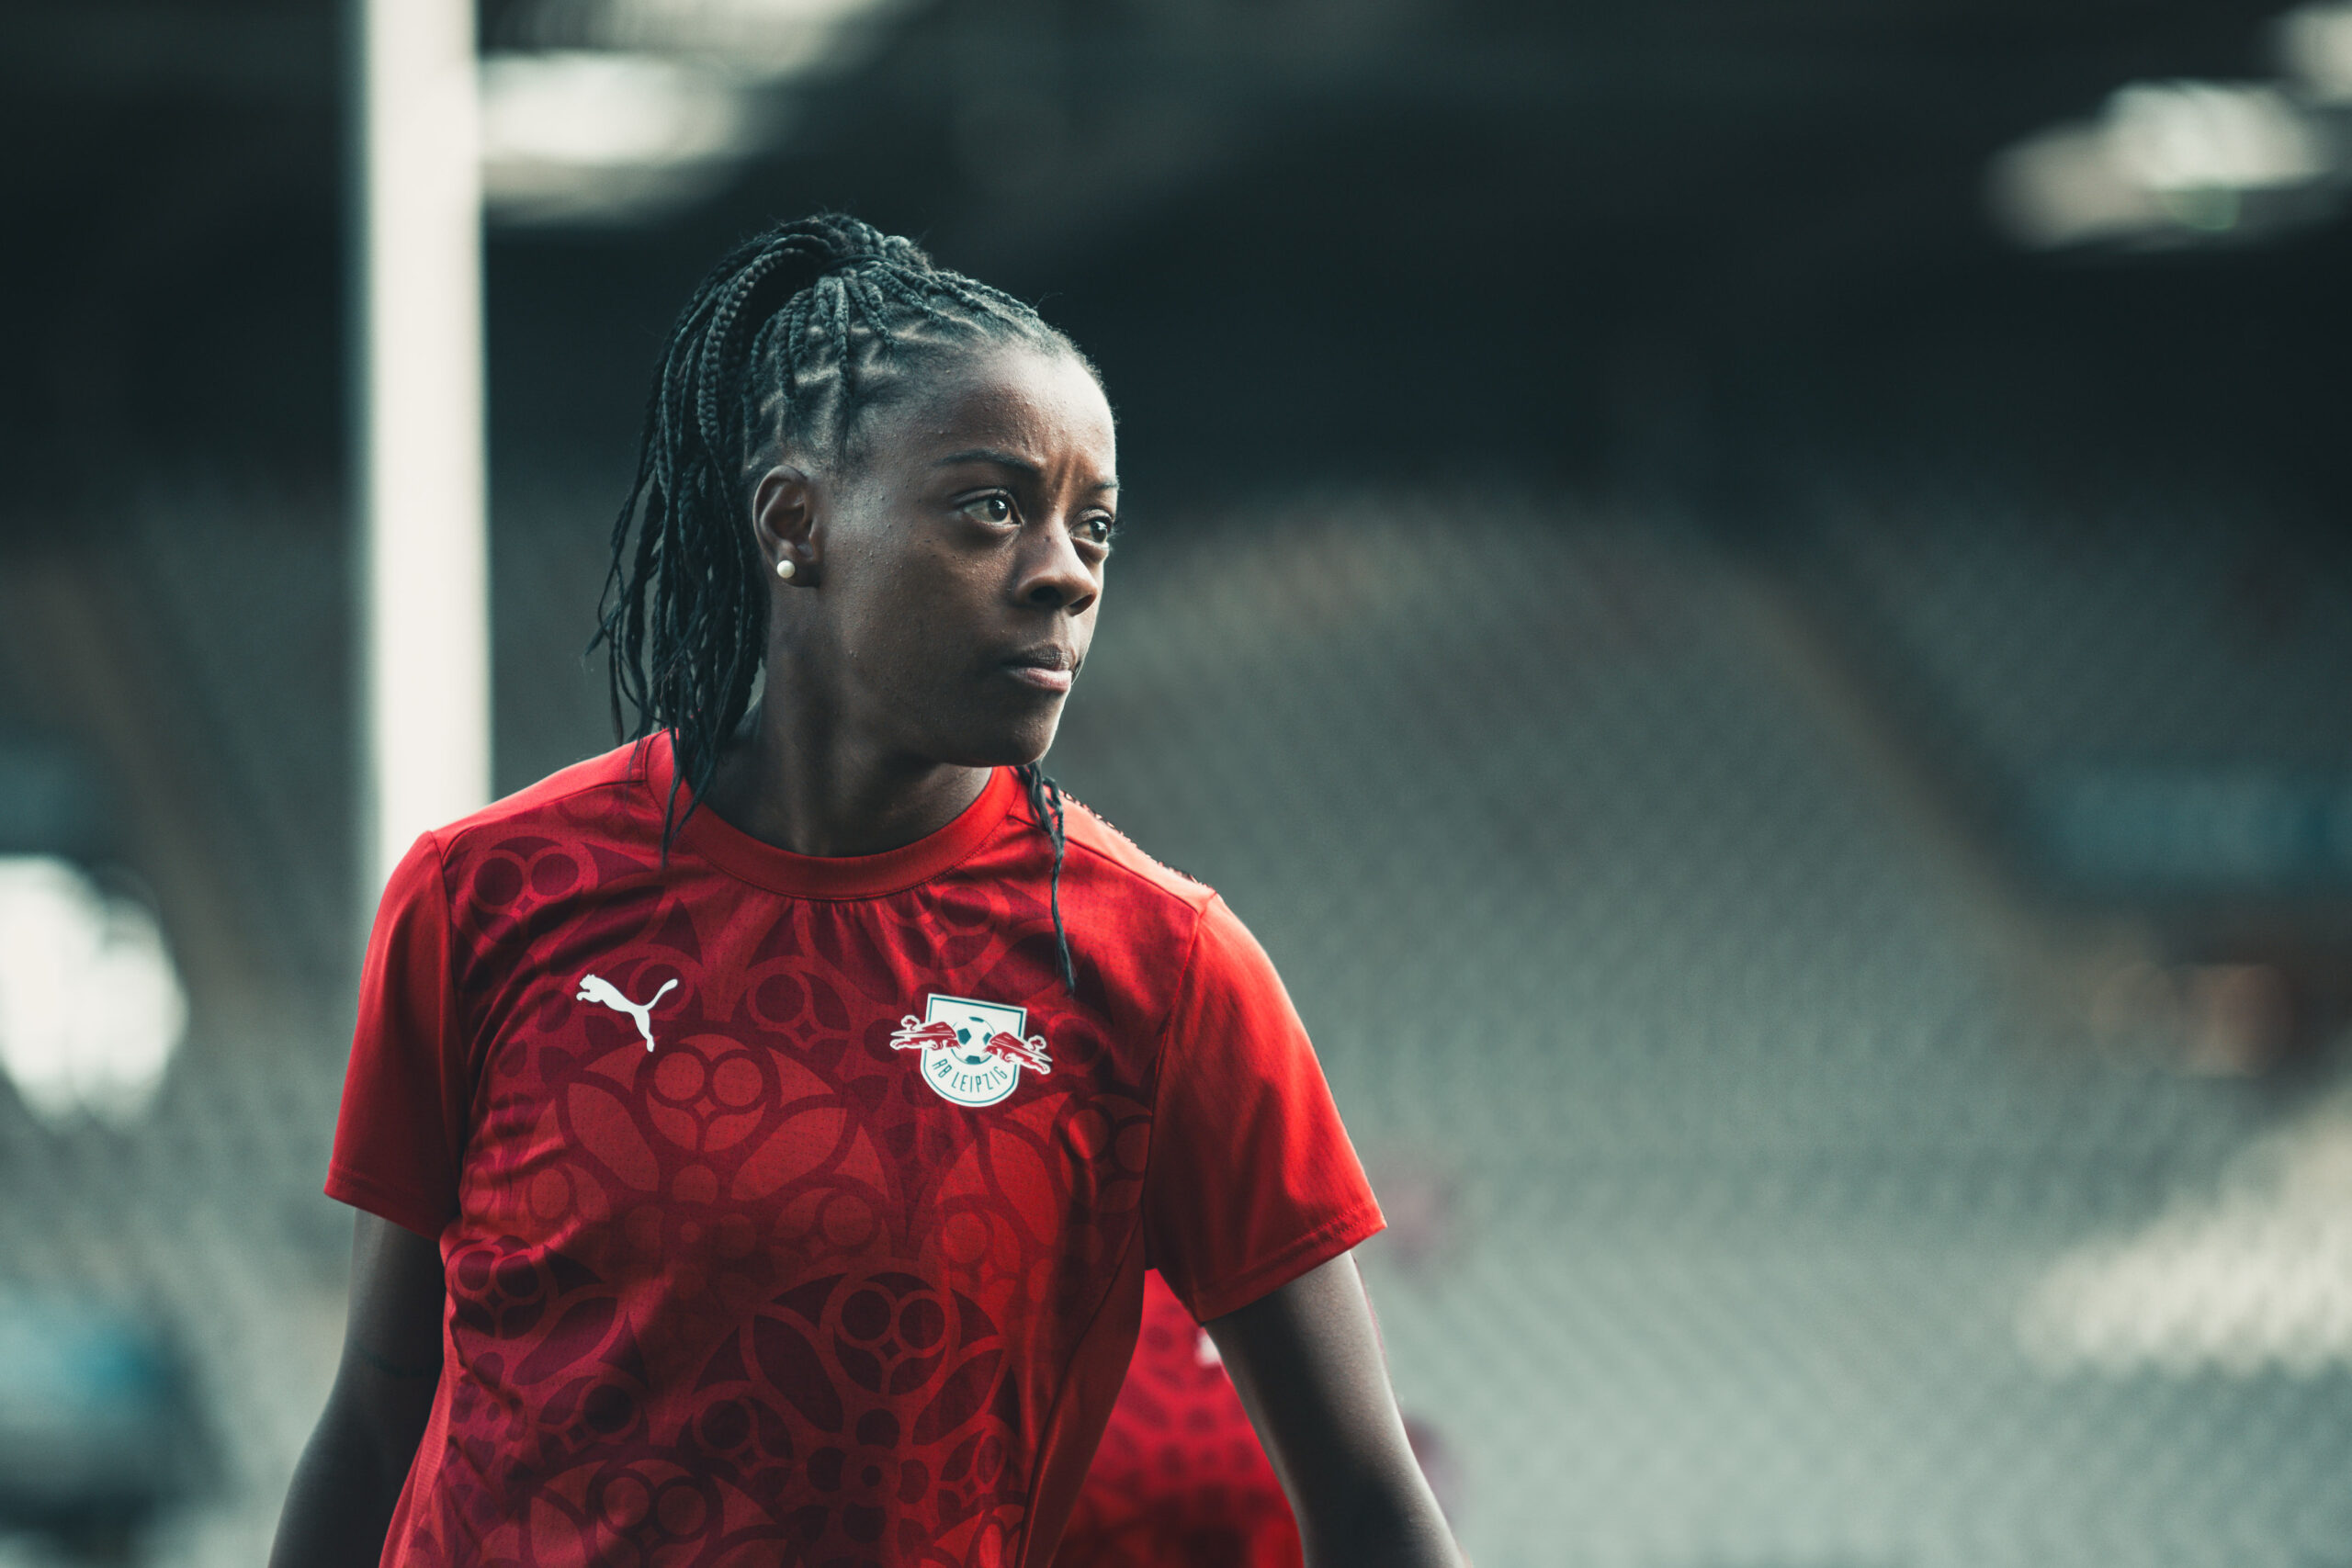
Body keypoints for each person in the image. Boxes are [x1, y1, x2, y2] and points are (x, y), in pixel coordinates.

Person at [270, 214, 1458, 1568]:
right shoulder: (487, 894)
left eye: (1095, 527)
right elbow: (375, 1420)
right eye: (994, 508)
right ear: (797, 522)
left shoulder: (1161, 968)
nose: (1066, 573)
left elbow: (1372, 1508)